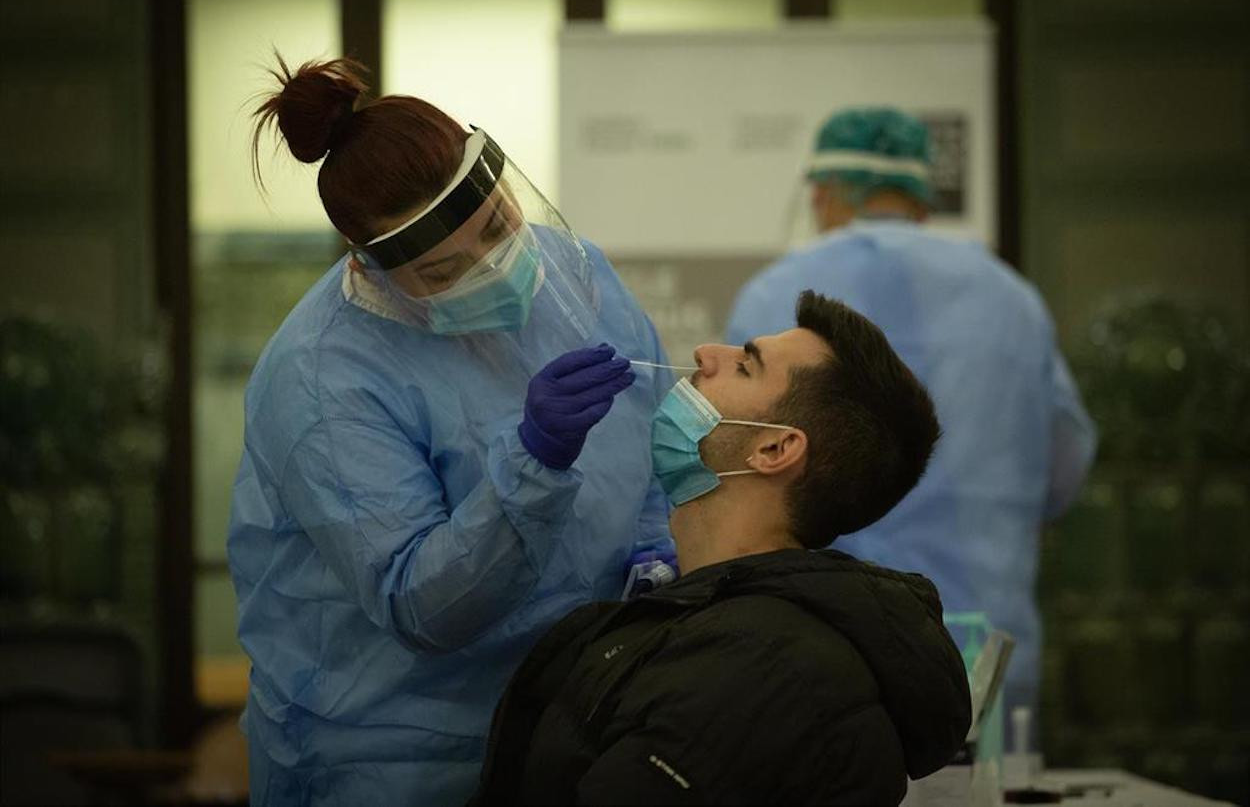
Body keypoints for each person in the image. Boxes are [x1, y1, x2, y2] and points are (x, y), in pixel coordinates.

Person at [227, 57, 674, 807]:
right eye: (441, 273)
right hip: (394, 755)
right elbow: (421, 607)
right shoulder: (320, 379)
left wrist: (660, 550)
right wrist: (534, 464)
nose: (494, 270)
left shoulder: (571, 269)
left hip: (576, 723)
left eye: (498, 226)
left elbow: (653, 440)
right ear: (369, 268)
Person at [472, 291, 973, 806]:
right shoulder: (721, 629)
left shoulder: (764, 669)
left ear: (774, 449)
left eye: (744, 365)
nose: (707, 352)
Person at [726, 107, 1097, 734]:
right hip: (989, 654)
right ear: (921, 196)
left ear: (822, 192)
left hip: (830, 653)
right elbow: (1066, 465)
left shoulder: (778, 297)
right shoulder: (1011, 298)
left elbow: (739, 467)